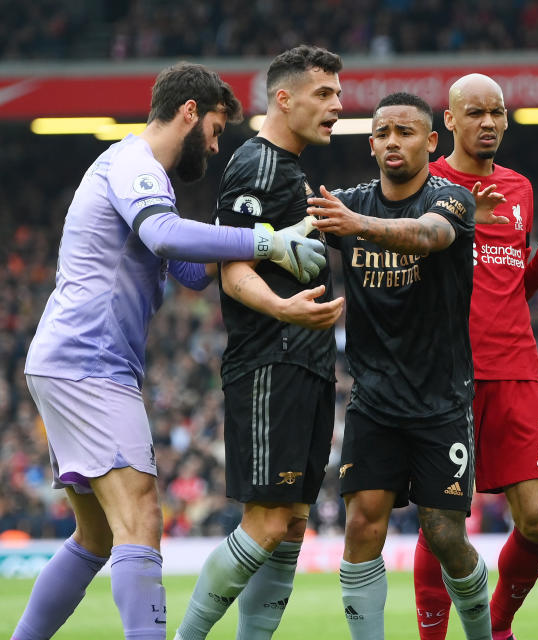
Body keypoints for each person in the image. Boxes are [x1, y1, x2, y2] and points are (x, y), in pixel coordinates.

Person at [13, 62, 328, 640]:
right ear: (188, 112)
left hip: (67, 360)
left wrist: (260, 230)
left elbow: (189, 270)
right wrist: (263, 240)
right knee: (141, 518)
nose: (214, 143)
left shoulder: (147, 178)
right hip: (90, 361)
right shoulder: (131, 162)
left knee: (97, 537)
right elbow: (163, 236)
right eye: (212, 128)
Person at [306, 91, 495, 640]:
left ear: (431, 142)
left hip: (441, 399)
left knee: (443, 533)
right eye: (383, 133)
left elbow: (429, 236)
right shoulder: (350, 202)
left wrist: (353, 225)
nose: (394, 141)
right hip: (374, 400)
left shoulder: (452, 199)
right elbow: (294, 219)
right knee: (363, 522)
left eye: (406, 132)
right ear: (371, 145)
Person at [174, 46, 346, 640]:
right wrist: (283, 308)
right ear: (283, 98)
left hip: (310, 362)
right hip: (270, 359)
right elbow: (229, 266)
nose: (336, 106)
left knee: (293, 522)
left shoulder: (292, 170)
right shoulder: (256, 165)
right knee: (268, 521)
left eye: (338, 95)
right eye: (323, 95)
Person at [413, 73, 538, 640]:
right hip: (449, 371)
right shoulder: (426, 183)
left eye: (498, 113)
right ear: (451, 122)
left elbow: (508, 286)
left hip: (516, 368)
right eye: (477, 113)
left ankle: (497, 627)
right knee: (441, 521)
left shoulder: (520, 189)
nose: (489, 122)